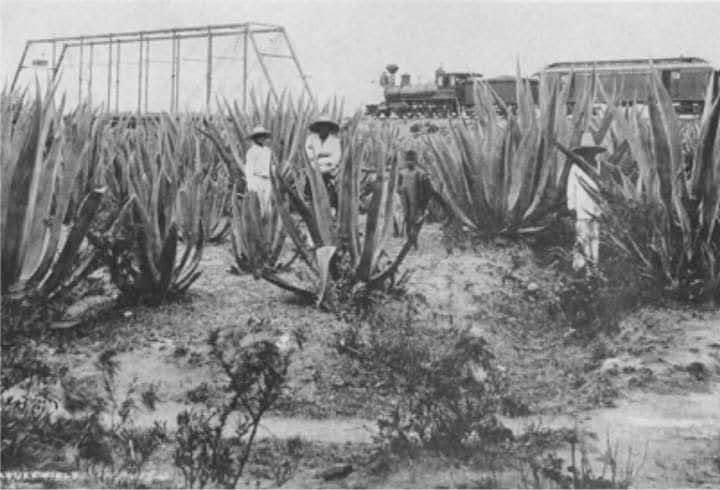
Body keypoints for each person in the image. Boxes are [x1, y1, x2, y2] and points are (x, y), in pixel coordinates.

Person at [567, 144, 605, 271]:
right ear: (582, 153)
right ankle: (580, 268)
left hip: (596, 208)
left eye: (592, 152)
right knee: (582, 237)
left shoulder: (600, 166)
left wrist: (604, 206)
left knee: (594, 238)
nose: (590, 154)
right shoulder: (576, 167)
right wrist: (571, 205)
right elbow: (571, 187)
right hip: (581, 207)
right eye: (587, 152)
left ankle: (594, 268)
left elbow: (603, 188)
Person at [305, 115, 341, 208]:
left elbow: (336, 158)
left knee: (332, 190)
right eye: (322, 126)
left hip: (329, 169)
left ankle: (331, 209)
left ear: (329, 128)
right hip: (313, 169)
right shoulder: (311, 139)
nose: (324, 128)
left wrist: (319, 156)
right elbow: (309, 155)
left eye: (326, 126)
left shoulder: (335, 141)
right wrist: (324, 155)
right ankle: (312, 207)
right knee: (311, 191)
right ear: (318, 127)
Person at [245, 125, 274, 214]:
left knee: (268, 204)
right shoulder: (251, 151)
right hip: (257, 179)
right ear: (255, 138)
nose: (261, 138)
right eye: (259, 136)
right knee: (259, 204)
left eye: (263, 136)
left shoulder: (268, 151)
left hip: (267, 180)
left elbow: (271, 165)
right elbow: (249, 168)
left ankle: (269, 224)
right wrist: (250, 184)